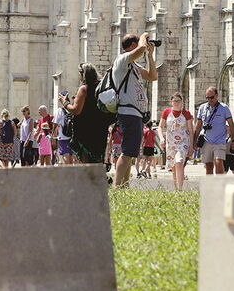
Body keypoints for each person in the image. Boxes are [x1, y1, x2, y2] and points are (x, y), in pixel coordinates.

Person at [111, 32, 158, 187]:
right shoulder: (122, 60)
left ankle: (124, 185)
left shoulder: (134, 65)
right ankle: (118, 186)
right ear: (132, 45)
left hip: (136, 114)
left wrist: (150, 56)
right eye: (137, 43)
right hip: (128, 112)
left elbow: (152, 76)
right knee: (127, 152)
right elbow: (141, 47)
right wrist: (144, 37)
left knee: (130, 152)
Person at [62, 63, 108, 164]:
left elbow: (76, 110)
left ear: (83, 75)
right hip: (100, 128)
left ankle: (89, 179)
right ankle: (96, 178)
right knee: (97, 159)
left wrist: (65, 102)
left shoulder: (84, 89)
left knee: (86, 159)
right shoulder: (101, 87)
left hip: (86, 129)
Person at [193, 85, 234, 175]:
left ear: (216, 96)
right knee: (208, 166)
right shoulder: (202, 108)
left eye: (211, 97)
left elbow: (231, 125)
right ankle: (210, 186)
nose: (209, 100)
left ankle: (220, 184)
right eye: (207, 97)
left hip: (220, 141)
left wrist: (233, 140)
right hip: (206, 140)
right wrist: (194, 140)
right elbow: (198, 125)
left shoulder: (224, 108)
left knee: (218, 162)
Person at [159, 93, 194, 189]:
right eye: (174, 101)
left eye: (178, 101)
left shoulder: (186, 113)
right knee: (174, 167)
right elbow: (160, 127)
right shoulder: (166, 112)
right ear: (171, 102)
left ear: (181, 102)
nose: (176, 103)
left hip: (183, 143)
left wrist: (191, 147)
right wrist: (161, 138)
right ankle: (176, 189)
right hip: (170, 143)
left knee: (179, 161)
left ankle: (180, 189)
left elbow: (191, 131)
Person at [53, 97, 75, 165]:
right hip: (72, 136)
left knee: (65, 155)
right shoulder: (72, 109)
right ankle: (72, 173)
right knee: (71, 157)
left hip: (63, 137)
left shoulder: (60, 110)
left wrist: (53, 137)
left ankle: (68, 173)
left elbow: (55, 124)